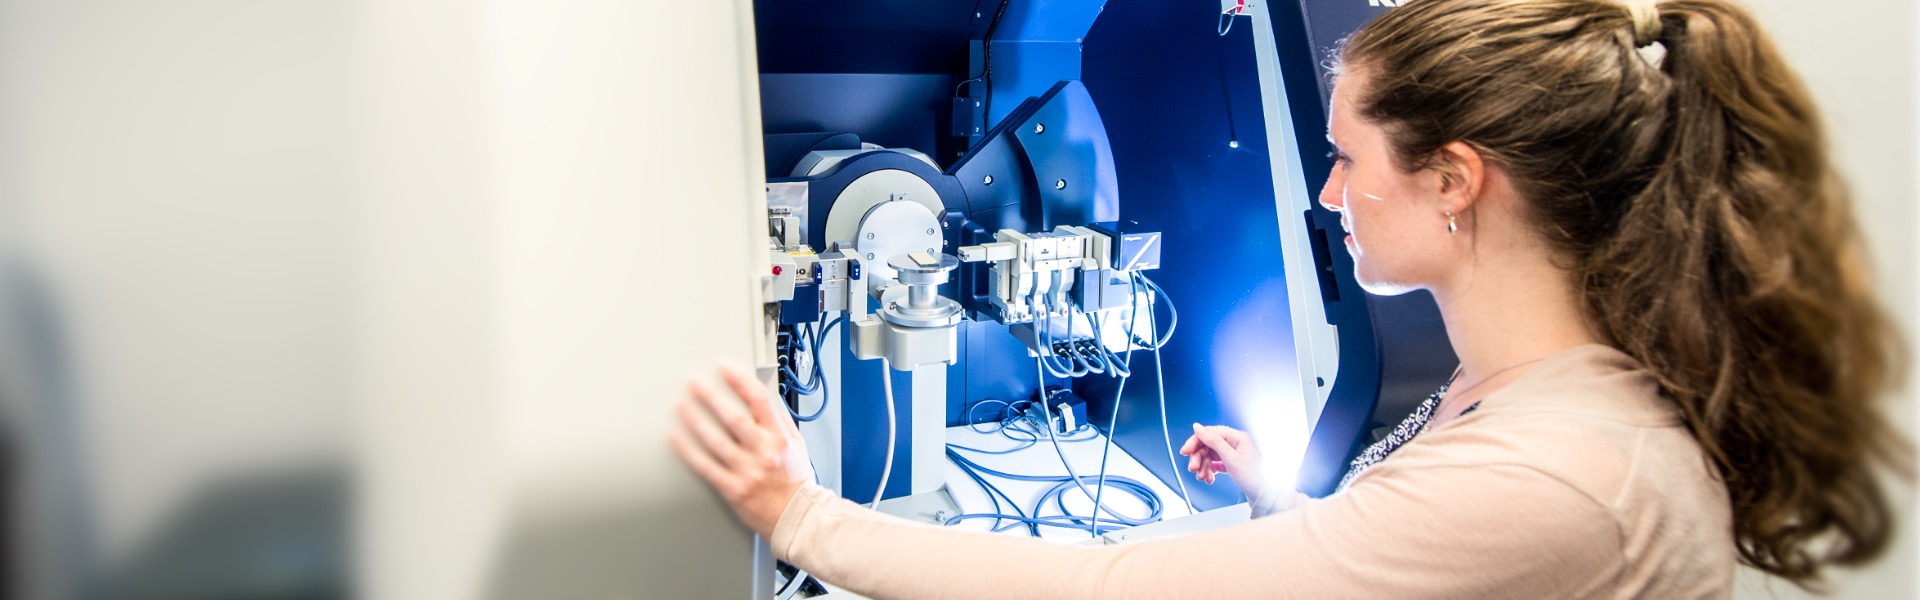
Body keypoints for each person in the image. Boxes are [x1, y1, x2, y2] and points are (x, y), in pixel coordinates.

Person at [670, 0, 1907, 596]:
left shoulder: (1558, 475)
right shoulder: (1558, 392)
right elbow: (1430, 552)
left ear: (1457, 185)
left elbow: (1106, 595)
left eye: (1347, 159)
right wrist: (1284, 494)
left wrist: (798, 513)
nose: (1323, 192)